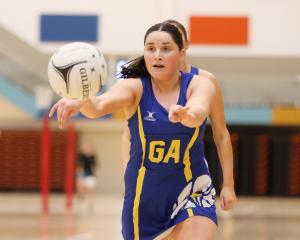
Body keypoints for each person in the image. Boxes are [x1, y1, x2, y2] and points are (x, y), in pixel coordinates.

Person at [49, 22, 236, 240]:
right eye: (150, 49)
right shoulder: (134, 87)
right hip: (145, 196)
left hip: (192, 186)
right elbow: (99, 105)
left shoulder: (202, 83)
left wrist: (187, 115)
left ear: (182, 52)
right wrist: (79, 100)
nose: (157, 55)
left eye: (166, 49)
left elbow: (200, 111)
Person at [76, 142, 98, 211]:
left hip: (90, 174)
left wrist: (95, 173)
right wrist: (79, 173)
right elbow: (79, 165)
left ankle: (91, 203)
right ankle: (81, 195)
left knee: (91, 189)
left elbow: (95, 166)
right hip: (83, 173)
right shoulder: (81, 156)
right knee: (81, 186)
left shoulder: (93, 156)